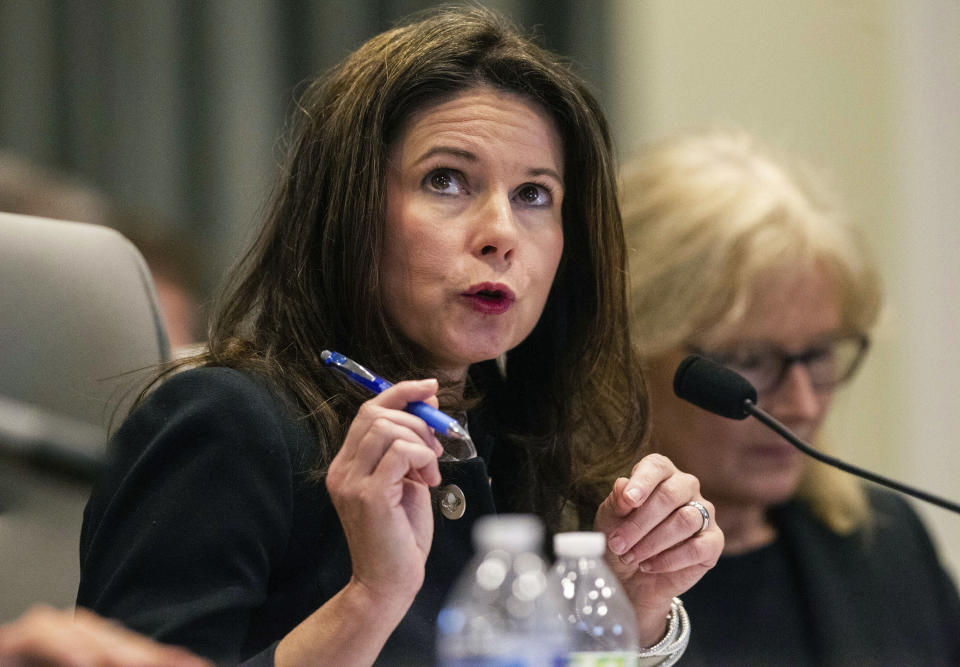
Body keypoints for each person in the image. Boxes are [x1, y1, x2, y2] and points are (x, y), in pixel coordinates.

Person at [73, 7, 723, 666]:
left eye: (534, 194)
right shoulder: (227, 425)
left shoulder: (522, 444)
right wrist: (370, 596)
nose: (501, 231)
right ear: (349, 211)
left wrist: (628, 603)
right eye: (446, 180)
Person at [621, 128, 960, 665]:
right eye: (751, 359)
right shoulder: (552, 566)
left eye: (821, 354)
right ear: (630, 351)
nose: (802, 406)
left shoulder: (890, 544)